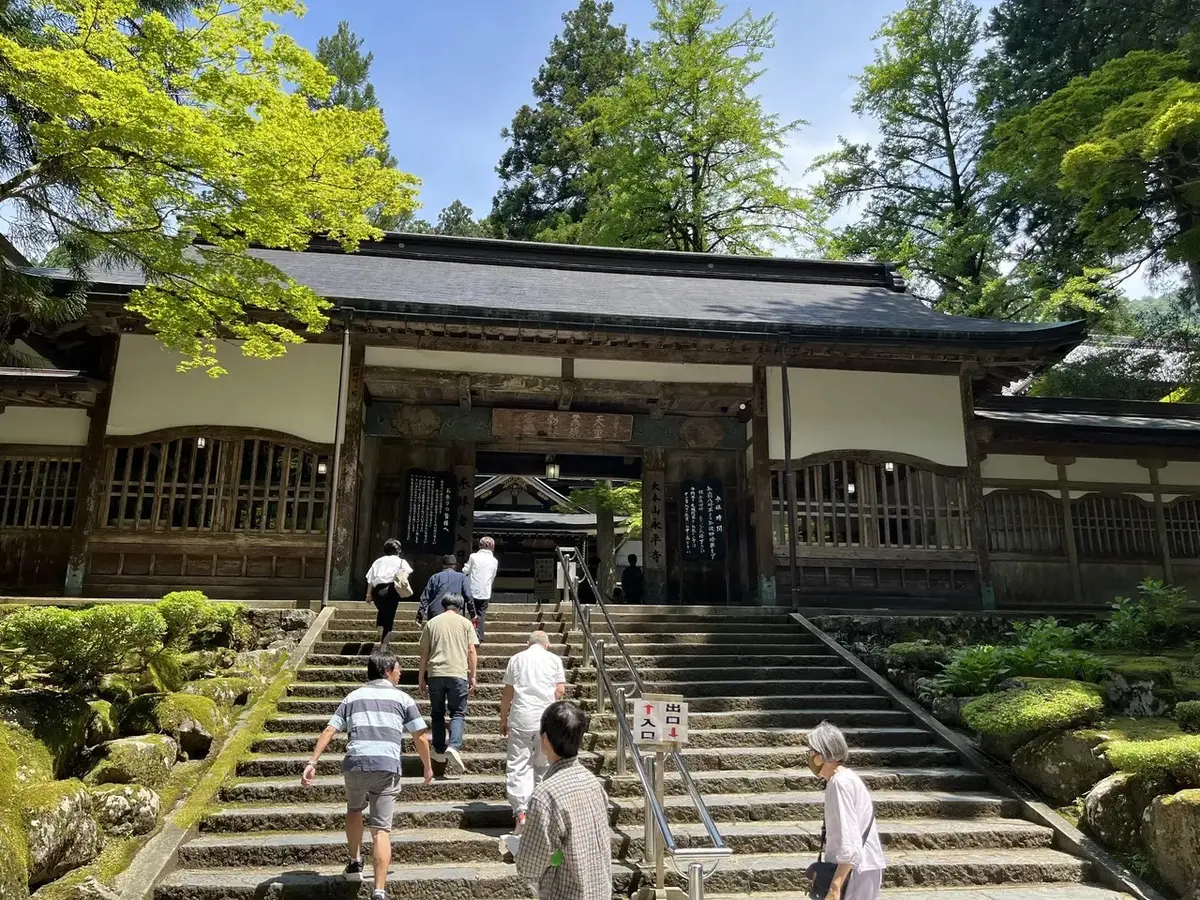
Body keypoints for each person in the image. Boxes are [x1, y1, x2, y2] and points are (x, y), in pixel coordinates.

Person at [302, 651, 432, 899]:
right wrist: (427, 765)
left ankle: (354, 862)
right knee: (381, 829)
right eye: (398, 667)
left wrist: (312, 761)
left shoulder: (353, 697)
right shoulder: (403, 698)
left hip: (355, 762)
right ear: (386, 671)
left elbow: (331, 729)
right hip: (386, 765)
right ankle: (379, 890)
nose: (401, 671)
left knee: (354, 810)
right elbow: (420, 736)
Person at [515, 700, 612, 900]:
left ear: (545, 739)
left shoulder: (546, 794)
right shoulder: (593, 782)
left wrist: (520, 844)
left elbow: (529, 866)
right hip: (599, 891)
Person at [806, 721, 886, 900]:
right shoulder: (846, 778)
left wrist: (836, 886)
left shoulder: (839, 783)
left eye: (811, 752)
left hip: (855, 871)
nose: (809, 757)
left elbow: (849, 837)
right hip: (862, 867)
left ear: (822, 755)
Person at [499, 630, 566, 833]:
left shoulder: (516, 659)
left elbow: (508, 692)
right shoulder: (554, 660)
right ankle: (541, 812)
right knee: (543, 765)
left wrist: (504, 717)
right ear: (547, 644)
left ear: (529, 643)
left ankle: (521, 812)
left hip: (521, 717)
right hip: (545, 718)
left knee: (519, 764)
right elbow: (560, 690)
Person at [417, 593, 478, 776]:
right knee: (457, 712)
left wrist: (421, 677)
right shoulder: (465, 623)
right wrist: (473, 675)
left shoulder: (432, 623)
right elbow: (471, 651)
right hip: (458, 673)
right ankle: (454, 746)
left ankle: (438, 747)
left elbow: (424, 653)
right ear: (460, 606)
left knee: (436, 713)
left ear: (444, 605)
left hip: (435, 674)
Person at [363, 539, 413, 650]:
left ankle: (380, 633)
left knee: (382, 611)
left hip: (378, 591)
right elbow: (406, 574)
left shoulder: (377, 561)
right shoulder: (401, 561)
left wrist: (368, 595)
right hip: (392, 589)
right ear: (398, 550)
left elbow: (370, 580)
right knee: (389, 616)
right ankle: (384, 646)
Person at [417, 554, 476, 624]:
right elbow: (468, 596)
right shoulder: (462, 577)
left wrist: (420, 616)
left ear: (443, 565)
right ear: (455, 566)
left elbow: (425, 598)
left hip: (435, 613)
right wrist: (473, 614)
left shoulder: (434, 577)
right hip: (455, 613)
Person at [462, 536, 499, 641]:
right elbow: (492, 576)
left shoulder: (474, 557)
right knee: (481, 614)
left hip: (472, 589)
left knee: (471, 612)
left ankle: (469, 634)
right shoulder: (494, 560)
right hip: (485, 591)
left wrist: (464, 568)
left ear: (480, 545)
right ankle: (480, 636)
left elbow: (466, 570)